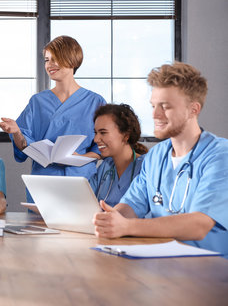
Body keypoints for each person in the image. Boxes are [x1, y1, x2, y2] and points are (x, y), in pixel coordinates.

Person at [93, 62, 228, 257]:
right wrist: (110, 219)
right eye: (153, 106)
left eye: (165, 107)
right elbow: (131, 205)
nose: (155, 115)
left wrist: (128, 227)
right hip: (162, 264)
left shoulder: (219, 155)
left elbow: (199, 225)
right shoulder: (155, 156)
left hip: (209, 269)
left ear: (194, 109)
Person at [0, 35, 106, 202]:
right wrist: (17, 132)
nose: (49, 65)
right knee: (39, 227)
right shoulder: (37, 102)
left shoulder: (95, 102)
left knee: (79, 227)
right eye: (47, 60)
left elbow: (102, 148)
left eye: (55, 59)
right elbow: (24, 147)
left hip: (81, 182)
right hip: (44, 182)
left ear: (72, 60)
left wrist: (80, 158)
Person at [89, 104, 148, 207]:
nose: (96, 139)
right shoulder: (105, 167)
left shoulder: (146, 167)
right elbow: (86, 199)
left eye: (103, 133)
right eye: (96, 133)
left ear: (126, 135)